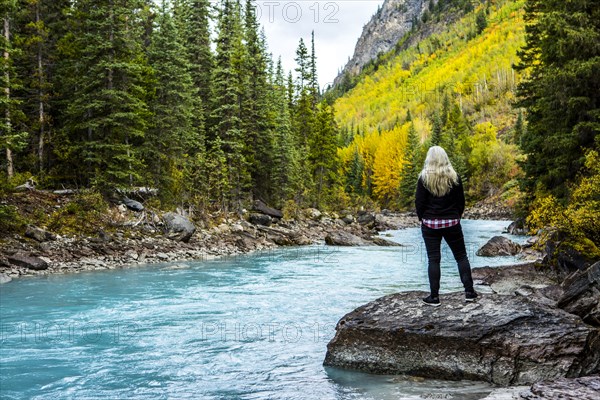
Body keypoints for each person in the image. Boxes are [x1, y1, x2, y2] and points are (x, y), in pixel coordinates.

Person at [415, 146, 477, 306]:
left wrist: (423, 219)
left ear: (429, 159)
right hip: (452, 222)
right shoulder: (454, 177)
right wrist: (456, 216)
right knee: (461, 256)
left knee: (433, 259)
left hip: (430, 224)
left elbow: (419, 203)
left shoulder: (424, 178)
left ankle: (434, 297)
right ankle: (469, 292)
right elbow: (461, 201)